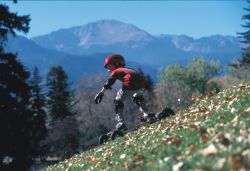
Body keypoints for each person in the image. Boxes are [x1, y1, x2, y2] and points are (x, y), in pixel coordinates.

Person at [94, 54, 155, 131]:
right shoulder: (128, 69)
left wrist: (101, 93)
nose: (108, 70)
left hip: (129, 84)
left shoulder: (116, 71)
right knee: (138, 97)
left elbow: (109, 82)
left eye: (109, 67)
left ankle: (121, 123)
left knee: (117, 101)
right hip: (142, 84)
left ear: (116, 64)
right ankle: (147, 114)